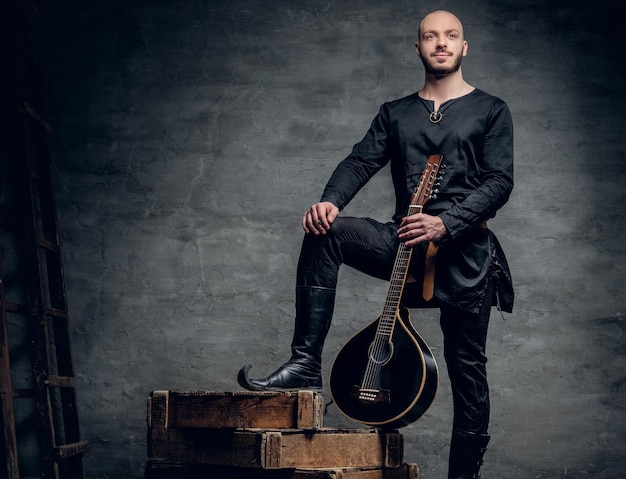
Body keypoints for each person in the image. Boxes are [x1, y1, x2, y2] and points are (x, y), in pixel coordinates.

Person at [238, 9, 514, 479]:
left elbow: (499, 182)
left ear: (464, 48)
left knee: (468, 373)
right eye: (431, 36)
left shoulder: (491, 109)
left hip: (464, 256)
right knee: (328, 232)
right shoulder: (396, 113)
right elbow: (359, 160)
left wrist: (445, 223)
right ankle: (305, 364)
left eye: (451, 36)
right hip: (405, 246)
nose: (441, 43)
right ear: (418, 48)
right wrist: (329, 200)